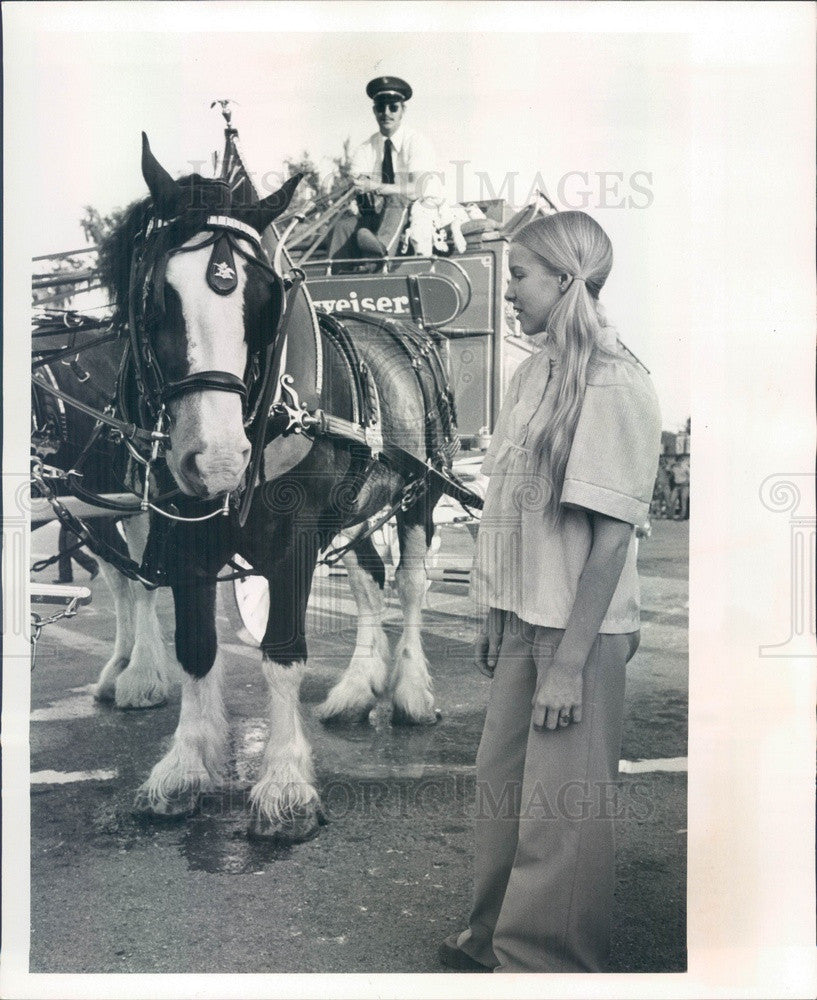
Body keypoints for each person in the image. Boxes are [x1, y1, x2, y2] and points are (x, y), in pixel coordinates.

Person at [439, 211, 661, 973]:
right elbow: (507, 509)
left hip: (580, 635)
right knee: (503, 794)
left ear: (565, 282)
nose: (508, 295)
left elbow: (608, 541)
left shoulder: (617, 379)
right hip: (524, 620)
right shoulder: (530, 372)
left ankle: (545, 967)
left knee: (560, 813)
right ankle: (492, 938)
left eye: (520, 278)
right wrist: (495, 610)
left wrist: (567, 664)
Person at [328, 76, 440, 259]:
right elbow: (359, 189)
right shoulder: (365, 149)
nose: (386, 113)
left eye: (393, 107)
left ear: (403, 110)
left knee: (397, 199)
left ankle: (381, 253)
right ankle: (330, 274)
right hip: (378, 212)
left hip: (416, 209)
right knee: (344, 225)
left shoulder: (417, 141)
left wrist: (376, 187)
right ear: (374, 110)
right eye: (381, 107)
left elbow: (417, 189)